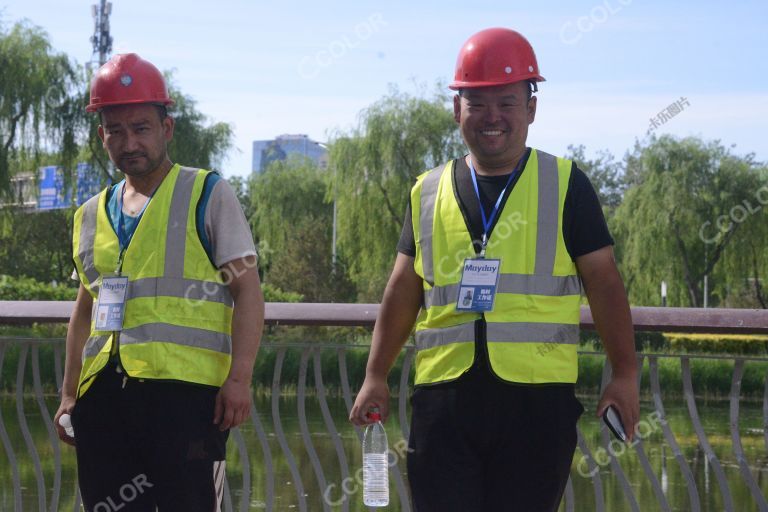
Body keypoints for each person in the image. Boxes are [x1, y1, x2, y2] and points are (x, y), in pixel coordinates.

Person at [350, 28, 639, 511]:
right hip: (443, 404)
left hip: (536, 405)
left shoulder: (566, 185)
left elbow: (605, 283)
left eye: (507, 102)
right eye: (477, 104)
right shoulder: (426, 190)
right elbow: (403, 288)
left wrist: (625, 374)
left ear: (531, 108)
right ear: (456, 109)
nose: (493, 118)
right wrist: (375, 373)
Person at [53, 53, 265, 512]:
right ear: (102, 135)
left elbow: (247, 290)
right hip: (104, 399)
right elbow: (84, 309)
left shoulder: (206, 193)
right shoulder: (90, 213)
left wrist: (239, 379)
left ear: (167, 129)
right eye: (116, 129)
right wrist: (71, 395)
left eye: (141, 127)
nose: (129, 141)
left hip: (186, 402)